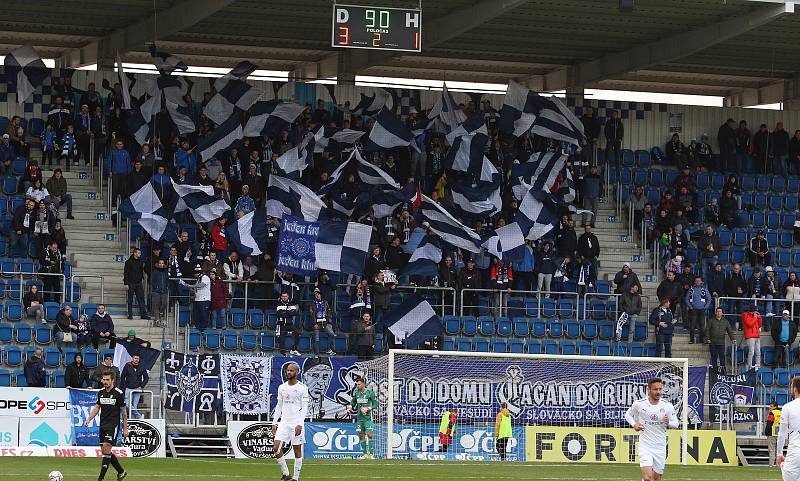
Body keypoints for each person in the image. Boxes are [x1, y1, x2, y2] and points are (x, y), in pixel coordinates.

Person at [624, 378, 679, 481]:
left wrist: (668, 423)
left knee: (657, 479)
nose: (658, 392)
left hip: (660, 447)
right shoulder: (639, 404)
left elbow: (676, 423)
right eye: (655, 389)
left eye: (660, 389)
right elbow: (628, 415)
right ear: (648, 390)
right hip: (645, 446)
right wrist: (634, 424)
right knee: (647, 478)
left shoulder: (667, 406)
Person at [84, 371, 128, 481]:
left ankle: (100, 478)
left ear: (112, 380)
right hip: (103, 425)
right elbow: (97, 407)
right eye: (103, 379)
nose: (105, 382)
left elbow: (124, 412)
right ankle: (121, 472)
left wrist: (125, 428)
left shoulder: (118, 393)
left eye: (107, 380)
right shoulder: (101, 393)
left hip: (113, 425)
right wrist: (89, 419)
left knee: (107, 448)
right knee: (105, 451)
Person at [272, 362, 308, 481]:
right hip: (284, 423)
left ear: (297, 372)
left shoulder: (302, 388)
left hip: (296, 422)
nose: (289, 372)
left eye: (291, 370)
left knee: (297, 450)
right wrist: (274, 422)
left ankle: (295, 478)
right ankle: (286, 474)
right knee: (276, 447)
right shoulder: (282, 387)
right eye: (288, 370)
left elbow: (304, 408)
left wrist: (300, 424)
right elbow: (279, 405)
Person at [348, 377, 378, 459]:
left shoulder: (370, 393)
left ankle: (371, 454)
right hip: (360, 418)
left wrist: (368, 408)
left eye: (359, 384)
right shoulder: (357, 393)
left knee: (369, 435)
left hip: (368, 418)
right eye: (356, 384)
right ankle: (365, 454)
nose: (357, 386)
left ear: (363, 384)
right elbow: (354, 401)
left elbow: (375, 404)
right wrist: (350, 406)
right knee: (361, 436)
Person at [776, 377, 800, 480]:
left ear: (795, 389)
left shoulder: (787, 407)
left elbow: (782, 434)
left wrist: (779, 453)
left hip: (795, 452)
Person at [180, 265, 211, 331]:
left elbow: (200, 285)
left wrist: (190, 285)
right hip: (197, 299)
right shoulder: (197, 280)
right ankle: (197, 328)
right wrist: (186, 286)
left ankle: (203, 329)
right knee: (196, 315)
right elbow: (195, 289)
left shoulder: (205, 277)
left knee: (203, 315)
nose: (194, 274)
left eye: (195, 273)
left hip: (204, 300)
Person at [705, 307, 736, 373]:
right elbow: (707, 330)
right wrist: (707, 338)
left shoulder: (725, 321)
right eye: (717, 311)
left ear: (722, 313)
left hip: (721, 343)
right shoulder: (711, 320)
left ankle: (723, 372)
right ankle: (715, 372)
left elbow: (729, 331)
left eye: (720, 311)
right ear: (715, 313)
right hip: (713, 342)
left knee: (722, 357)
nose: (719, 313)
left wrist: (732, 339)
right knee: (714, 357)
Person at [685, 275, 712, 344]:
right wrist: (691, 307)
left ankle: (701, 340)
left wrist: (705, 307)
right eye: (696, 281)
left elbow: (709, 299)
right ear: (694, 281)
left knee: (702, 327)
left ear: (701, 281)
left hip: (702, 311)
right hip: (693, 311)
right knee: (692, 326)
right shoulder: (691, 289)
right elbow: (686, 299)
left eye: (699, 281)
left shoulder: (704, 289)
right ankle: (691, 340)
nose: (697, 282)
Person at [120, 354, 148, 420]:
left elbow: (146, 378)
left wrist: (142, 386)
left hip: (137, 388)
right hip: (128, 388)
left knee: (134, 406)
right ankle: (139, 416)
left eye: (137, 358)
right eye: (135, 358)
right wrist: (124, 386)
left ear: (139, 359)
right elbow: (122, 376)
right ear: (132, 358)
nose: (136, 360)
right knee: (127, 404)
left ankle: (133, 421)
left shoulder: (142, 366)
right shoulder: (127, 365)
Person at [123, 248, 149, 320]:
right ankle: (130, 314)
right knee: (130, 299)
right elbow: (126, 273)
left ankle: (143, 314)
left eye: (140, 253)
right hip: (130, 283)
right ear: (134, 253)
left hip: (138, 283)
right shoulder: (128, 262)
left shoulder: (141, 261)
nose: (140, 254)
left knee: (141, 299)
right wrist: (126, 283)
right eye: (138, 253)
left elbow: (141, 271)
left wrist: (142, 278)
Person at [309, 288, 335, 355]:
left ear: (321, 294)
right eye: (315, 294)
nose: (317, 295)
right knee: (316, 338)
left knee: (331, 334)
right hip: (317, 324)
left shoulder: (326, 303)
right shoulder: (312, 303)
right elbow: (312, 315)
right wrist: (314, 323)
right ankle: (317, 353)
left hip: (325, 323)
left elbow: (329, 313)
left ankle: (329, 350)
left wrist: (329, 322)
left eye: (318, 294)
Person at [276, 291, 300, 356]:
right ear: (281, 297)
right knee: (281, 339)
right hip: (281, 324)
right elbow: (279, 314)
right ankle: (282, 353)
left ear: (288, 296)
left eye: (285, 296)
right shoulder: (278, 304)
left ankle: (294, 349)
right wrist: (288, 312)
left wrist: (285, 312)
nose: (284, 298)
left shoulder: (291, 303)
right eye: (283, 296)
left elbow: (294, 313)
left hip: (289, 324)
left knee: (297, 333)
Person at [766, 400, 781, 467]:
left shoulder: (772, 413)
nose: (770, 407)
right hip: (780, 433)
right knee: (779, 450)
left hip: (772, 433)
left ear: (775, 406)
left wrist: (766, 432)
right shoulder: (781, 412)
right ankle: (779, 464)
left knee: (772, 450)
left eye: (771, 406)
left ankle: (771, 465)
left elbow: (769, 423)